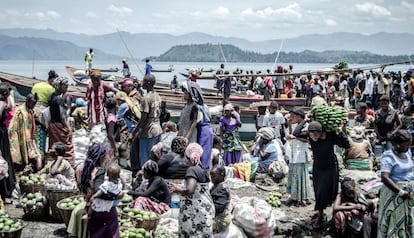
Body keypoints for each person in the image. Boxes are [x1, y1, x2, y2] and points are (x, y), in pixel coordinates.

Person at [308, 121, 350, 229]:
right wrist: (306, 119)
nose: (313, 136)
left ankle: (333, 215)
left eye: (316, 134)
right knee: (319, 191)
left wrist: (341, 132)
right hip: (318, 168)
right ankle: (320, 215)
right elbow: (296, 132)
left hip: (331, 167)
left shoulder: (330, 137)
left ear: (321, 132)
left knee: (332, 191)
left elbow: (346, 144)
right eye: (311, 134)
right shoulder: (310, 139)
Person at [169, 143, 215, 237]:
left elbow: (190, 190)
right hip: (205, 208)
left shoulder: (192, 170)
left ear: (187, 157)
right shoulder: (202, 169)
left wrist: (177, 190)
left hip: (194, 212)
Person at [78, 143, 120, 238]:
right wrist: (115, 196)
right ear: (101, 157)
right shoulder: (100, 171)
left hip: (90, 206)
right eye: (105, 155)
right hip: (102, 209)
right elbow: (98, 189)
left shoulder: (85, 169)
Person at [378, 130, 414, 237]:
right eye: (406, 144)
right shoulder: (388, 156)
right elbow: (384, 178)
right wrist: (401, 192)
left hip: (408, 194)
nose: (409, 146)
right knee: (395, 223)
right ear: (398, 144)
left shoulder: (407, 152)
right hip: (394, 194)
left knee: (408, 220)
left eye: (409, 144)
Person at [179, 81, 214, 170]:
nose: (184, 94)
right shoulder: (186, 105)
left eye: (186, 93)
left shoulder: (196, 106)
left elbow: (194, 122)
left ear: (191, 94)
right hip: (187, 131)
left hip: (202, 131)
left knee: (201, 154)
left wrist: (187, 137)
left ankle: (203, 172)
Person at [133, 74, 162, 168]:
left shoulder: (146, 98)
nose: (142, 83)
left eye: (144, 81)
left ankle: (146, 179)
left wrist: (134, 132)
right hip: (158, 129)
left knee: (146, 159)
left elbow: (143, 118)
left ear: (149, 83)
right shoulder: (157, 96)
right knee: (156, 156)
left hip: (149, 131)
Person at [285, 108, 312, 207]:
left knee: (300, 175)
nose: (292, 118)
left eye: (293, 116)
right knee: (293, 175)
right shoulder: (294, 125)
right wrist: (289, 126)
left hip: (300, 153)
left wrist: (295, 137)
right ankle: (293, 196)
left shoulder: (306, 126)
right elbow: (291, 134)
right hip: (293, 153)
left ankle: (301, 197)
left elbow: (306, 140)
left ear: (299, 116)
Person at [8, 93, 42, 171]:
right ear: (27, 101)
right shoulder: (19, 111)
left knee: (33, 153)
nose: (34, 105)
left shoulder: (31, 111)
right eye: (32, 103)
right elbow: (13, 125)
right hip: (20, 135)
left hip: (29, 136)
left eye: (35, 104)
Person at [48, 77, 75, 165]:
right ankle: (69, 164)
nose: (66, 87)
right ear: (58, 86)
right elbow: (62, 117)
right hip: (58, 125)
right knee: (67, 146)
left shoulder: (52, 96)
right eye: (64, 85)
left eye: (67, 85)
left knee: (55, 146)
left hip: (52, 124)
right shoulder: (59, 99)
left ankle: (54, 162)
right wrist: (69, 129)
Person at [0, 83, 16, 203]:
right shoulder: (1, 104)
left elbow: (10, 106)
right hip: (0, 134)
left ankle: (5, 192)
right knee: (3, 161)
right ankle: (5, 192)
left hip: (2, 133)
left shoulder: (3, 103)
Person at [210, 165, 231, 233]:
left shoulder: (222, 188)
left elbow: (219, 207)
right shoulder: (217, 185)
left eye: (214, 176)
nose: (212, 179)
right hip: (215, 215)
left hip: (221, 219)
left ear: (222, 175)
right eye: (211, 176)